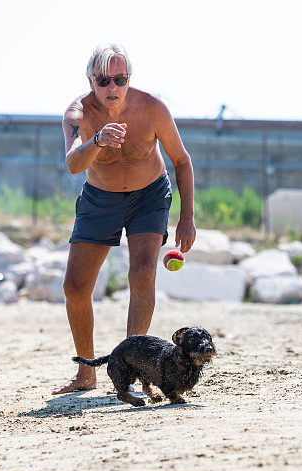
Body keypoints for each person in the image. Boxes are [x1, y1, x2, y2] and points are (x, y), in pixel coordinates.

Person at [53, 43, 196, 394]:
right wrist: (98, 140)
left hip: (149, 195)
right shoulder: (78, 113)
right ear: (91, 80)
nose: (112, 87)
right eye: (104, 80)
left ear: (129, 78)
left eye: (120, 78)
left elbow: (181, 160)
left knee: (143, 272)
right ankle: (86, 373)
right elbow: (73, 165)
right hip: (100, 198)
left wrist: (187, 218)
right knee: (75, 288)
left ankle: (134, 367)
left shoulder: (152, 108)